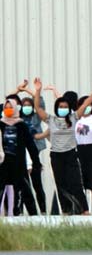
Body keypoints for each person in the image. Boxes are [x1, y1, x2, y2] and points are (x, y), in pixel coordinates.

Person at [33, 77, 92, 214]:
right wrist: (38, 91)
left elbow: (86, 103)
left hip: (71, 154)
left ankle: (84, 210)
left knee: (76, 183)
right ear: (57, 108)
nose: (63, 109)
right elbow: (37, 107)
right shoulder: (51, 119)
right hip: (56, 155)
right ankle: (66, 211)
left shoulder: (73, 118)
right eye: (60, 107)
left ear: (69, 108)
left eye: (65, 107)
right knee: (61, 184)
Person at [0, 97, 41, 217]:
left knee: (23, 188)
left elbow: (30, 144)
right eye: (6, 108)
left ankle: (30, 214)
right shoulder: (0, 124)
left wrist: (36, 161)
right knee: (1, 188)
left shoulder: (21, 125)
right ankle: (5, 213)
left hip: (18, 163)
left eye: (11, 107)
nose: (8, 110)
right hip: (3, 162)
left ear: (15, 109)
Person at [14, 82, 47, 215]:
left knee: (37, 184)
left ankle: (43, 211)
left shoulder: (36, 117)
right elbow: (9, 102)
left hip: (34, 153)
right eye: (24, 105)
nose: (27, 107)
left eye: (29, 105)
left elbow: (40, 103)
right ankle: (21, 211)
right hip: (21, 155)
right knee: (23, 185)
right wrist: (18, 90)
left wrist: (31, 91)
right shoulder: (17, 118)